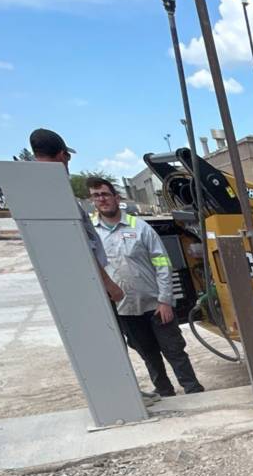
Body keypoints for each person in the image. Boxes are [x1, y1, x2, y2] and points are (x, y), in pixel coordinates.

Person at [86, 176, 204, 396]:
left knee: (174, 350)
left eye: (105, 194)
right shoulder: (92, 233)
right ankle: (165, 392)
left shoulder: (140, 228)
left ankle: (193, 389)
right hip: (125, 309)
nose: (102, 199)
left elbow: (162, 264)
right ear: (92, 200)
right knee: (147, 353)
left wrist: (165, 300)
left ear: (116, 197)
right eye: (96, 196)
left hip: (155, 305)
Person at [28, 128, 124, 308]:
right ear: (62, 155)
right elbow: (82, 247)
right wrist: (109, 284)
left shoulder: (36, 192)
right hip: (91, 286)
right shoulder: (58, 196)